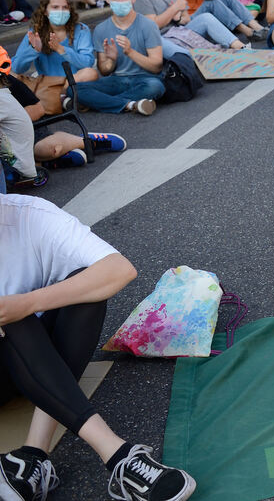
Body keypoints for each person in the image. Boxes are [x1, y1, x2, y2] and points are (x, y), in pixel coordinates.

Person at [0, 195, 199, 500]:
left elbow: (119, 270)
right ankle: (118, 454)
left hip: (33, 361)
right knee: (11, 316)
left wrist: (27, 302)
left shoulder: (28, 214)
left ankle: (33, 455)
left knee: (83, 288)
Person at [71, 0, 163, 115]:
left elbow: (156, 67)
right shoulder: (101, 29)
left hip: (145, 79)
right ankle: (130, 104)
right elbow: (104, 71)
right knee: (74, 89)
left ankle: (99, 103)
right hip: (117, 80)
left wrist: (130, 52)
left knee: (156, 87)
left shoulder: (148, 25)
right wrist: (112, 59)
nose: (120, 2)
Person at [13, 0, 100, 110]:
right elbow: (17, 68)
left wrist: (61, 49)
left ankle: (54, 97)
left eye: (65, 7)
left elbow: (87, 62)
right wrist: (33, 50)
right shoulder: (35, 32)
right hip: (47, 81)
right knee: (10, 75)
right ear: (45, 11)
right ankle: (62, 99)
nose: (61, 11)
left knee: (91, 73)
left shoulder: (81, 29)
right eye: (55, 7)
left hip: (74, 81)